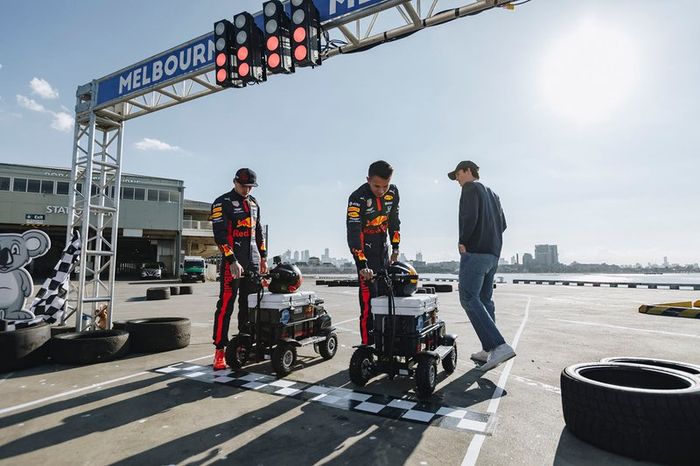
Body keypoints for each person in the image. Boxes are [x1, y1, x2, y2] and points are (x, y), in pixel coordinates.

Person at [448, 160, 514, 372]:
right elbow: (503, 224)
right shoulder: (494, 194)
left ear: (467, 171)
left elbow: (469, 217)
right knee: (485, 299)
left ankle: (498, 345)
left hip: (474, 252)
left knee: (468, 297)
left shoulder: (470, 188)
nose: (457, 180)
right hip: (493, 254)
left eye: (457, 174)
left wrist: (464, 241)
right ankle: (489, 350)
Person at [210, 168, 268, 370]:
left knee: (249, 306)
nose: (247, 190)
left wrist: (263, 257)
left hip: (252, 262)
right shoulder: (222, 202)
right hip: (232, 263)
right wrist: (231, 260)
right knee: (226, 306)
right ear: (235, 182)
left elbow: (258, 231)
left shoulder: (254, 203)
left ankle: (245, 346)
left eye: (251, 186)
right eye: (244, 186)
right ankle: (219, 350)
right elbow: (220, 235)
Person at [346, 160, 401, 345]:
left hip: (383, 250)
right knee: (369, 304)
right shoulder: (357, 198)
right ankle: (367, 346)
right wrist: (362, 264)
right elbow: (353, 233)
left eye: (385, 185)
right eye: (377, 186)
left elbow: (394, 221)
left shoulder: (393, 193)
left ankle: (387, 344)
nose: (381, 190)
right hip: (365, 251)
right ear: (368, 179)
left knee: (387, 300)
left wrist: (396, 247)